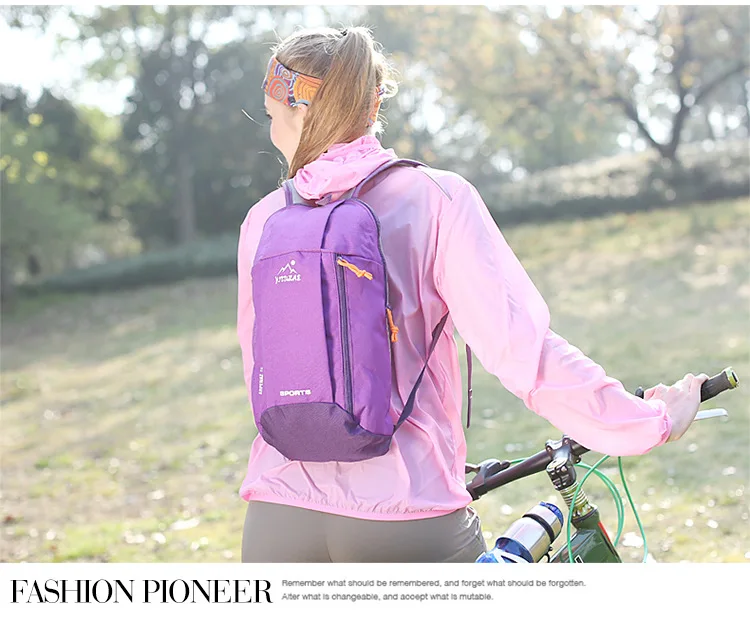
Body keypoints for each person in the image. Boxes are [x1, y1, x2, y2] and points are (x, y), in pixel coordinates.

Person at [236, 26, 707, 563]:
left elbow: (264, 374)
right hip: (407, 511)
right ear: (371, 104)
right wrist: (650, 421)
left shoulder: (264, 220)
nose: (271, 127)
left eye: (271, 113)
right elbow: (523, 353)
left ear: (297, 109)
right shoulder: (436, 197)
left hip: (276, 514)